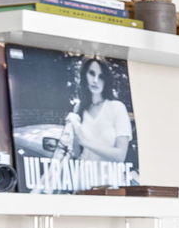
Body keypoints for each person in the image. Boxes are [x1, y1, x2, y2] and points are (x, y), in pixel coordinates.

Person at [53, 58, 133, 186]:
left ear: (107, 80)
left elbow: (120, 156)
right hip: (82, 182)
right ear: (85, 75)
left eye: (101, 76)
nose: (95, 80)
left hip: (109, 185)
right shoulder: (79, 108)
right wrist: (74, 129)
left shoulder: (116, 107)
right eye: (92, 73)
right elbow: (78, 152)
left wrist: (85, 141)